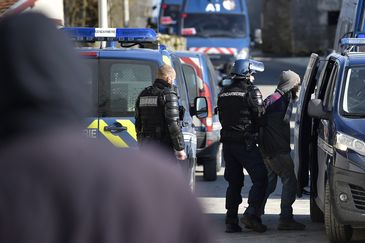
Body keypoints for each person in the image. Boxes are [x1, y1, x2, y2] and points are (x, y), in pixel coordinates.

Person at [0, 13, 212, 243]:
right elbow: (170, 122)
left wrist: (142, 139)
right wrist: (176, 147)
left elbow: (140, 120)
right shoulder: (160, 182)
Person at [217, 59, 268, 233]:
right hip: (245, 143)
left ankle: (231, 221)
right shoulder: (251, 91)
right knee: (261, 178)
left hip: (228, 145)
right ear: (247, 74)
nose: (253, 77)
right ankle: (251, 214)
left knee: (234, 183)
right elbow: (260, 118)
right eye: (252, 74)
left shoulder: (223, 92)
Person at [260, 70, 305, 230]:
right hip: (276, 150)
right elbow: (271, 129)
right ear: (290, 85)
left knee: (269, 184)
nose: (298, 88)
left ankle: (253, 214)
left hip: (269, 149)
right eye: (296, 84)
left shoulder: (277, 99)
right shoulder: (278, 103)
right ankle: (285, 219)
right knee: (290, 182)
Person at [134, 64, 187, 161]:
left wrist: (141, 143)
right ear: (168, 78)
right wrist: (180, 148)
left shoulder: (143, 94)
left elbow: (138, 122)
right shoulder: (168, 95)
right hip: (163, 148)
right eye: (173, 79)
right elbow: (173, 124)